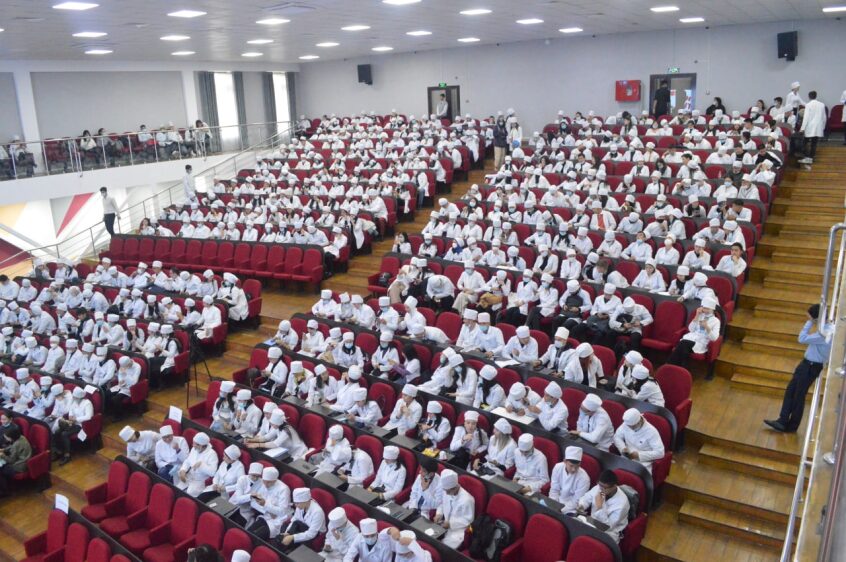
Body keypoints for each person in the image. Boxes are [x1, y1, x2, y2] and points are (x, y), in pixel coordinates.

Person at [765, 304, 832, 433]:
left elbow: (801, 338)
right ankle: (783, 420)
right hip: (807, 365)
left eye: (810, 318)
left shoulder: (825, 333)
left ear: (816, 319)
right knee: (791, 391)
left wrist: (809, 322)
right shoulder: (826, 329)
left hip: (810, 366)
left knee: (798, 396)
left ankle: (791, 426)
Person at [576, 470, 630, 543]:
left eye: (605, 488)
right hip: (592, 522)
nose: (601, 489)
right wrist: (582, 506)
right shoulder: (599, 488)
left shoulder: (622, 503)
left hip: (610, 532)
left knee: (590, 542)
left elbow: (607, 526)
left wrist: (599, 508)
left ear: (614, 486)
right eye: (600, 485)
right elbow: (586, 498)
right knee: (575, 526)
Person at [667, 296, 721, 367]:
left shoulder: (716, 321)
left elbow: (714, 338)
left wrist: (707, 327)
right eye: (704, 308)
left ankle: (669, 365)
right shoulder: (700, 315)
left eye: (707, 309)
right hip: (691, 338)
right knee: (684, 348)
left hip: (701, 342)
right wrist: (697, 315)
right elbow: (691, 329)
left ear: (713, 309)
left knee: (683, 343)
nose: (705, 310)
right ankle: (680, 367)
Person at [614, 408, 665, 474]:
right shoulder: (626, 424)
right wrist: (623, 448)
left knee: (634, 477)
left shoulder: (651, 431)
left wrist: (639, 455)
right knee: (617, 474)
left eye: (632, 426)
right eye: (628, 426)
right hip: (626, 457)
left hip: (643, 462)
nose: (629, 428)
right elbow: (617, 437)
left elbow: (660, 453)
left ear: (639, 422)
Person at [434, 469, 474, 548]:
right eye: (445, 490)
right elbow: (441, 503)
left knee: (443, 548)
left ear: (455, 488)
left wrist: (450, 524)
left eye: (448, 491)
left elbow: (468, 521)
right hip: (444, 524)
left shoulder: (467, 500)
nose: (446, 493)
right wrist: (439, 514)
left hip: (458, 531)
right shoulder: (446, 490)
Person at [52, 386, 94, 465]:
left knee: (64, 434)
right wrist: (70, 416)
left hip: (81, 425)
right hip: (72, 423)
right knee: (57, 431)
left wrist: (76, 419)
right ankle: (58, 451)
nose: (73, 398)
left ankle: (67, 455)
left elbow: (88, 416)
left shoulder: (87, 403)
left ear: (80, 397)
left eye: (75, 397)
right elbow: (71, 410)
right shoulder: (74, 402)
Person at [548, 446, 590, 513]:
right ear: (565, 461)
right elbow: (554, 489)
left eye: (577, 466)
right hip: (556, 501)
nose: (573, 469)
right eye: (571, 466)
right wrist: (553, 504)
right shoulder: (557, 467)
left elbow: (576, 500)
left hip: (571, 508)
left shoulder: (584, 478)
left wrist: (561, 510)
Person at [175, 432, 219, 497]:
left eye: (195, 444)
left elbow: (213, 472)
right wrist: (183, 470)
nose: (193, 445)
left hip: (200, 481)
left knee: (190, 493)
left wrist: (201, 465)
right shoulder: (194, 449)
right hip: (189, 476)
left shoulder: (212, 454)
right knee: (177, 489)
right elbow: (187, 461)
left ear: (201, 446)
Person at [0, 425, 31, 496]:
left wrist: (2, 455)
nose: (6, 438)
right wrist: (4, 450)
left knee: (1, 470)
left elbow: (11, 460)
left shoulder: (16, 445)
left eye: (7, 437)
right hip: (25, 459)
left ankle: (4, 491)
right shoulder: (21, 437)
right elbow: (12, 446)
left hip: (20, 466)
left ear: (12, 437)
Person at [798, 90, 826, 164]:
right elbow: (824, 117)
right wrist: (823, 127)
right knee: (814, 143)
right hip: (818, 127)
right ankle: (811, 158)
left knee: (805, 142)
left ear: (809, 97)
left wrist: (802, 128)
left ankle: (806, 157)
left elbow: (806, 118)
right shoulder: (822, 105)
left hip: (809, 126)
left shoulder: (808, 105)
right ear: (816, 96)